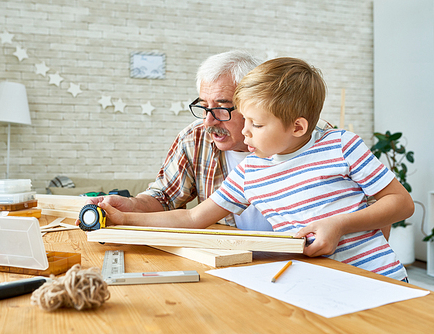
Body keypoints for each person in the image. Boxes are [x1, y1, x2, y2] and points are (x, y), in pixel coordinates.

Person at [98, 57, 414, 281]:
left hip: (376, 277)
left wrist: (340, 224)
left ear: (298, 127)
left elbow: (401, 203)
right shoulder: (251, 171)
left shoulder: (340, 145)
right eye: (245, 120)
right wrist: (125, 219)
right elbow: (193, 217)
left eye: (256, 123)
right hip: (315, 281)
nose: (246, 131)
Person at [82, 50, 269, 229]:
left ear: (254, 104)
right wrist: (132, 206)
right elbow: (168, 199)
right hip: (230, 255)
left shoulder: (291, 146)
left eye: (222, 107)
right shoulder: (195, 138)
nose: (208, 120)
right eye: (204, 107)